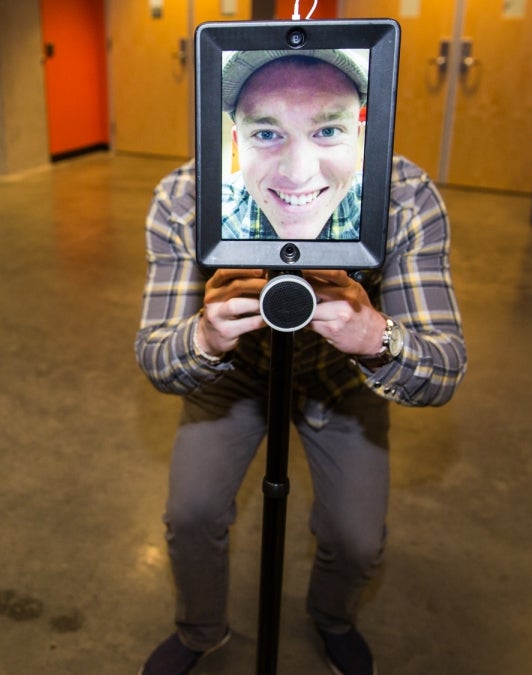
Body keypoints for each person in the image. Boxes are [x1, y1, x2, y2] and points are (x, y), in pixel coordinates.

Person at [134, 54, 466, 675]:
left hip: (341, 380)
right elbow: (156, 355)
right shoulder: (184, 198)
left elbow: (444, 368)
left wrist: (378, 337)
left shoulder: (403, 197)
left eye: (327, 130)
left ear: (364, 128)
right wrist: (204, 337)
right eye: (267, 132)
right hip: (233, 378)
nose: (297, 167)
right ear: (228, 133)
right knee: (192, 513)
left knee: (357, 539)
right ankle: (201, 629)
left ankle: (332, 617)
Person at [222, 49, 367, 241]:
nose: (298, 176)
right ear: (237, 143)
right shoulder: (191, 221)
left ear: (355, 138)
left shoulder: (400, 217)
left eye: (328, 131)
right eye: (266, 134)